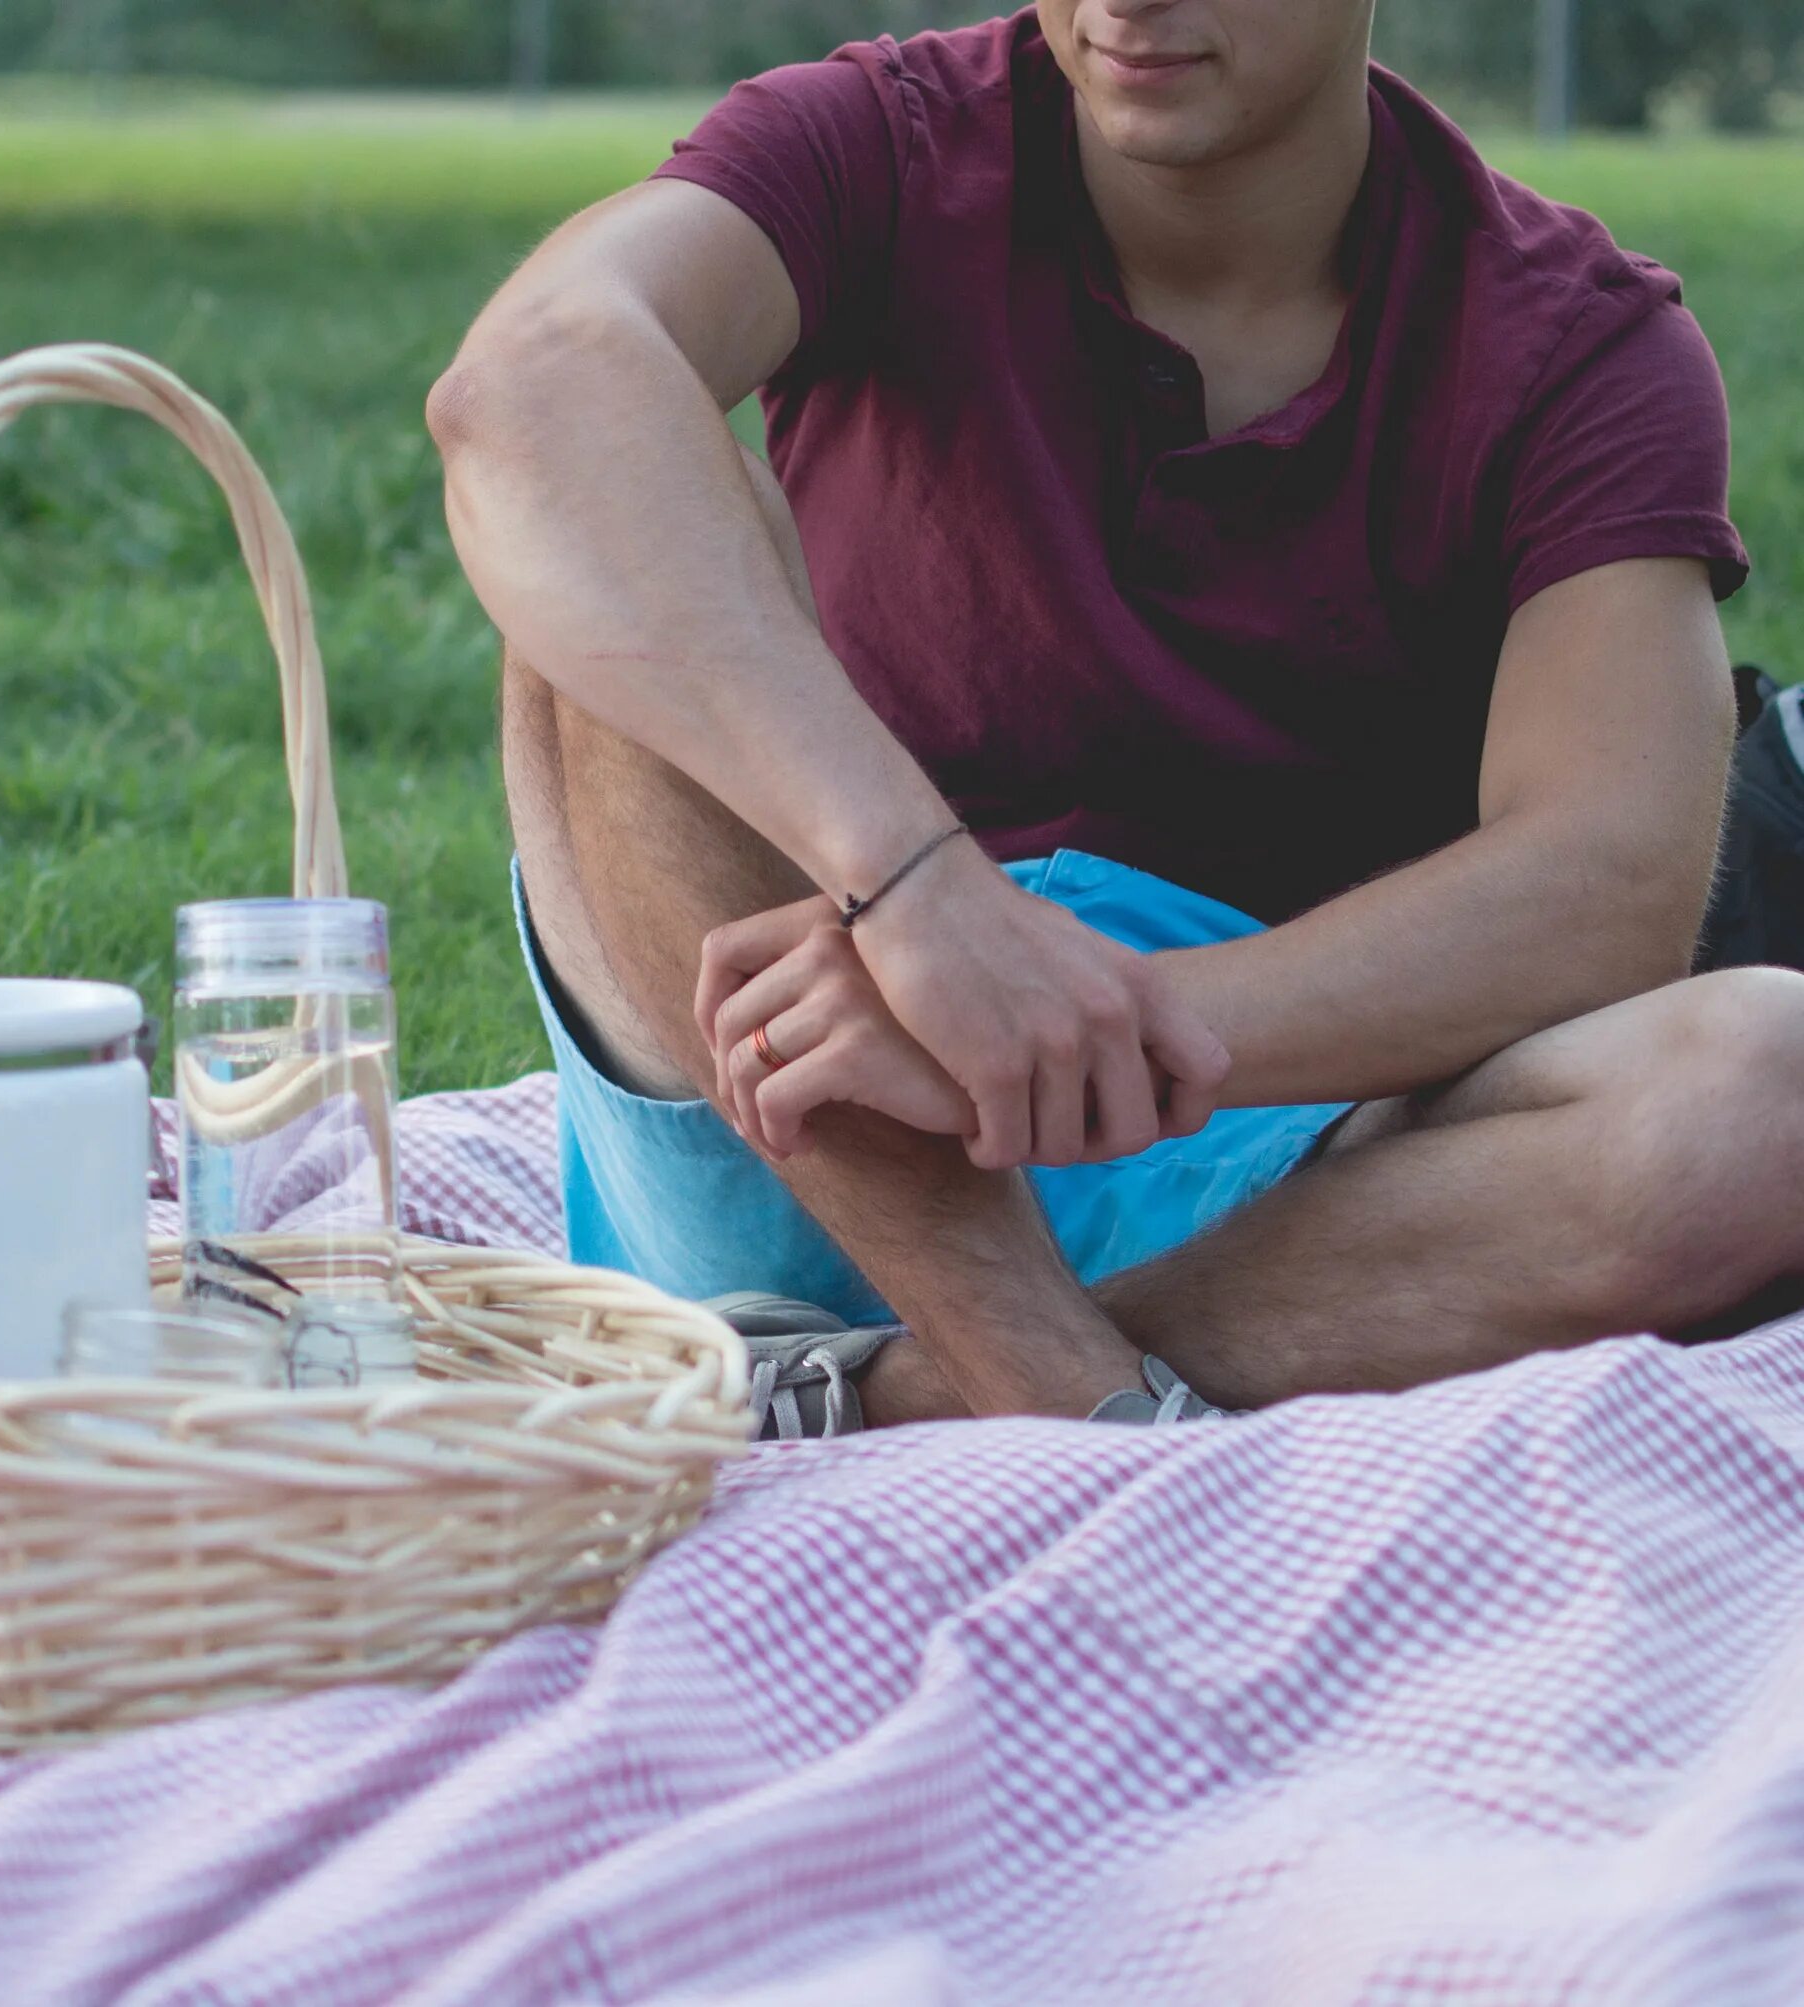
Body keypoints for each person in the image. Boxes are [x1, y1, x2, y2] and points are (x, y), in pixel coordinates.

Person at [426, 0, 1795, 1432]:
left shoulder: (1577, 340)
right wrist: (917, 903)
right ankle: (1069, 1393)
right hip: (788, 1118)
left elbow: (1610, 885)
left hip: (1266, 1185)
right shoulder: (878, 144)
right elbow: (531, 385)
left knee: (1770, 1091)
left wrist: (1067, 1033)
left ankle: (878, 1397)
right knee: (609, 536)